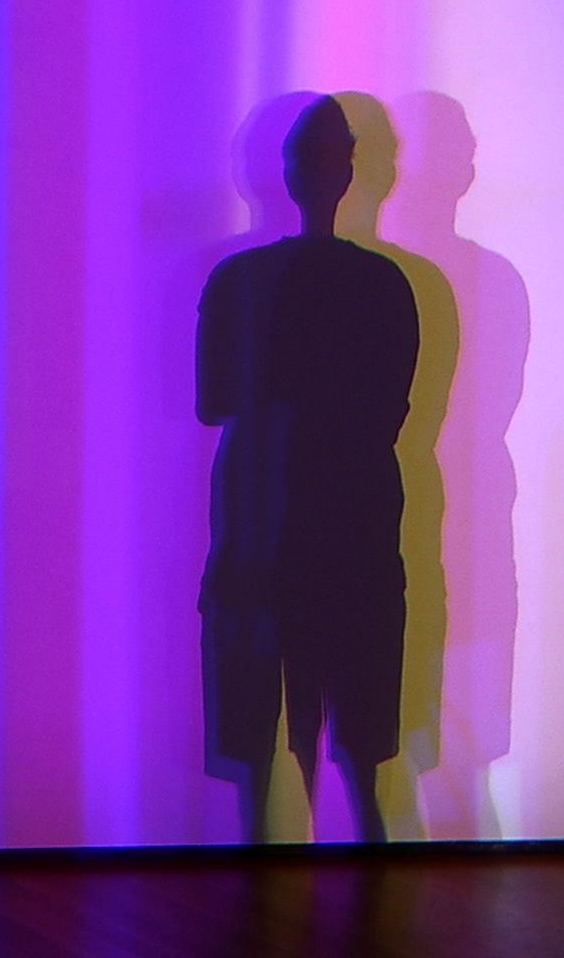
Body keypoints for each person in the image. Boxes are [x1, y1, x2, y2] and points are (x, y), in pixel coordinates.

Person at [197, 95, 419, 842]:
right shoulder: (383, 283)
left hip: (274, 517)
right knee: (352, 729)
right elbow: (389, 410)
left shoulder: (240, 281)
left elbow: (213, 399)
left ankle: (280, 855)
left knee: (269, 725)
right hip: (341, 520)